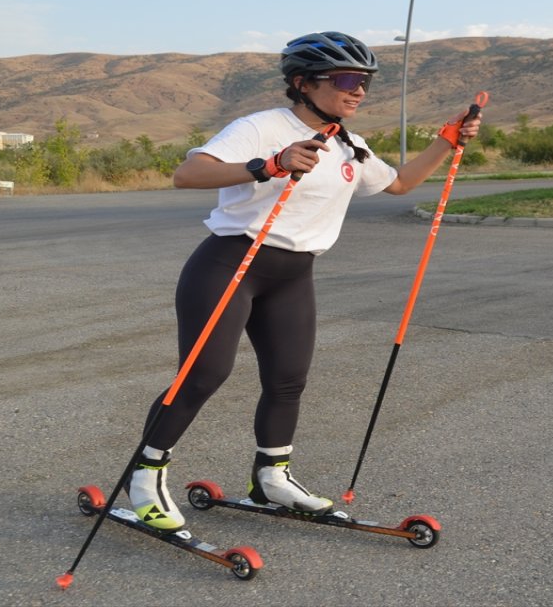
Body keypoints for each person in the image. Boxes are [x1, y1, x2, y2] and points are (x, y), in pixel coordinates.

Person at [127, 31, 482, 531]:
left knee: (288, 379)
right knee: (204, 375)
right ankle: (144, 477)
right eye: (347, 80)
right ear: (303, 83)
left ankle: (272, 476)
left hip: (294, 274)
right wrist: (268, 165)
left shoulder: (349, 145)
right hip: (231, 264)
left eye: (365, 82)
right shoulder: (262, 126)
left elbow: (400, 183)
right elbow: (188, 174)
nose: (359, 91)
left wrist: (447, 140)